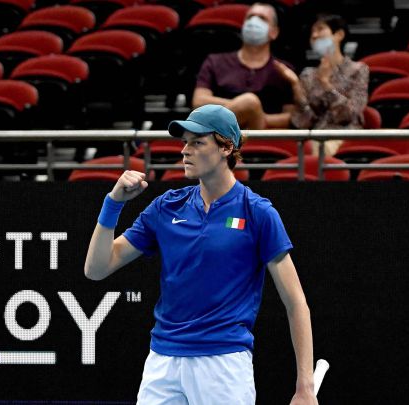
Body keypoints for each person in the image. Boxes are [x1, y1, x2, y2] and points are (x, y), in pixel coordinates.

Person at [84, 104, 318, 405]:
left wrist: (305, 386)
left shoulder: (258, 212)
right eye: (184, 142)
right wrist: (113, 204)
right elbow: (97, 268)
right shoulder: (166, 207)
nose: (185, 151)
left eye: (197, 142)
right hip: (163, 362)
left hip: (223, 366)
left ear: (226, 147)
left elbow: (296, 302)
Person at [275, 14, 369, 157]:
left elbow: (349, 113)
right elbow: (304, 121)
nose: (314, 35)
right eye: (312, 32)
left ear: (339, 35)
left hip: (345, 136)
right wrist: (296, 86)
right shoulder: (308, 75)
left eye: (320, 29)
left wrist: (326, 84)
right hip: (313, 136)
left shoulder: (358, 70)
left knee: (318, 149)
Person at [192, 3, 295, 129]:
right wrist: (246, 108)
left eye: (262, 18)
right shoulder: (215, 61)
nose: (253, 22)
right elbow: (198, 101)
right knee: (250, 102)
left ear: (274, 32)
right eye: (250, 17)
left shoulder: (283, 70)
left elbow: (291, 117)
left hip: (261, 138)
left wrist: (255, 114)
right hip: (219, 135)